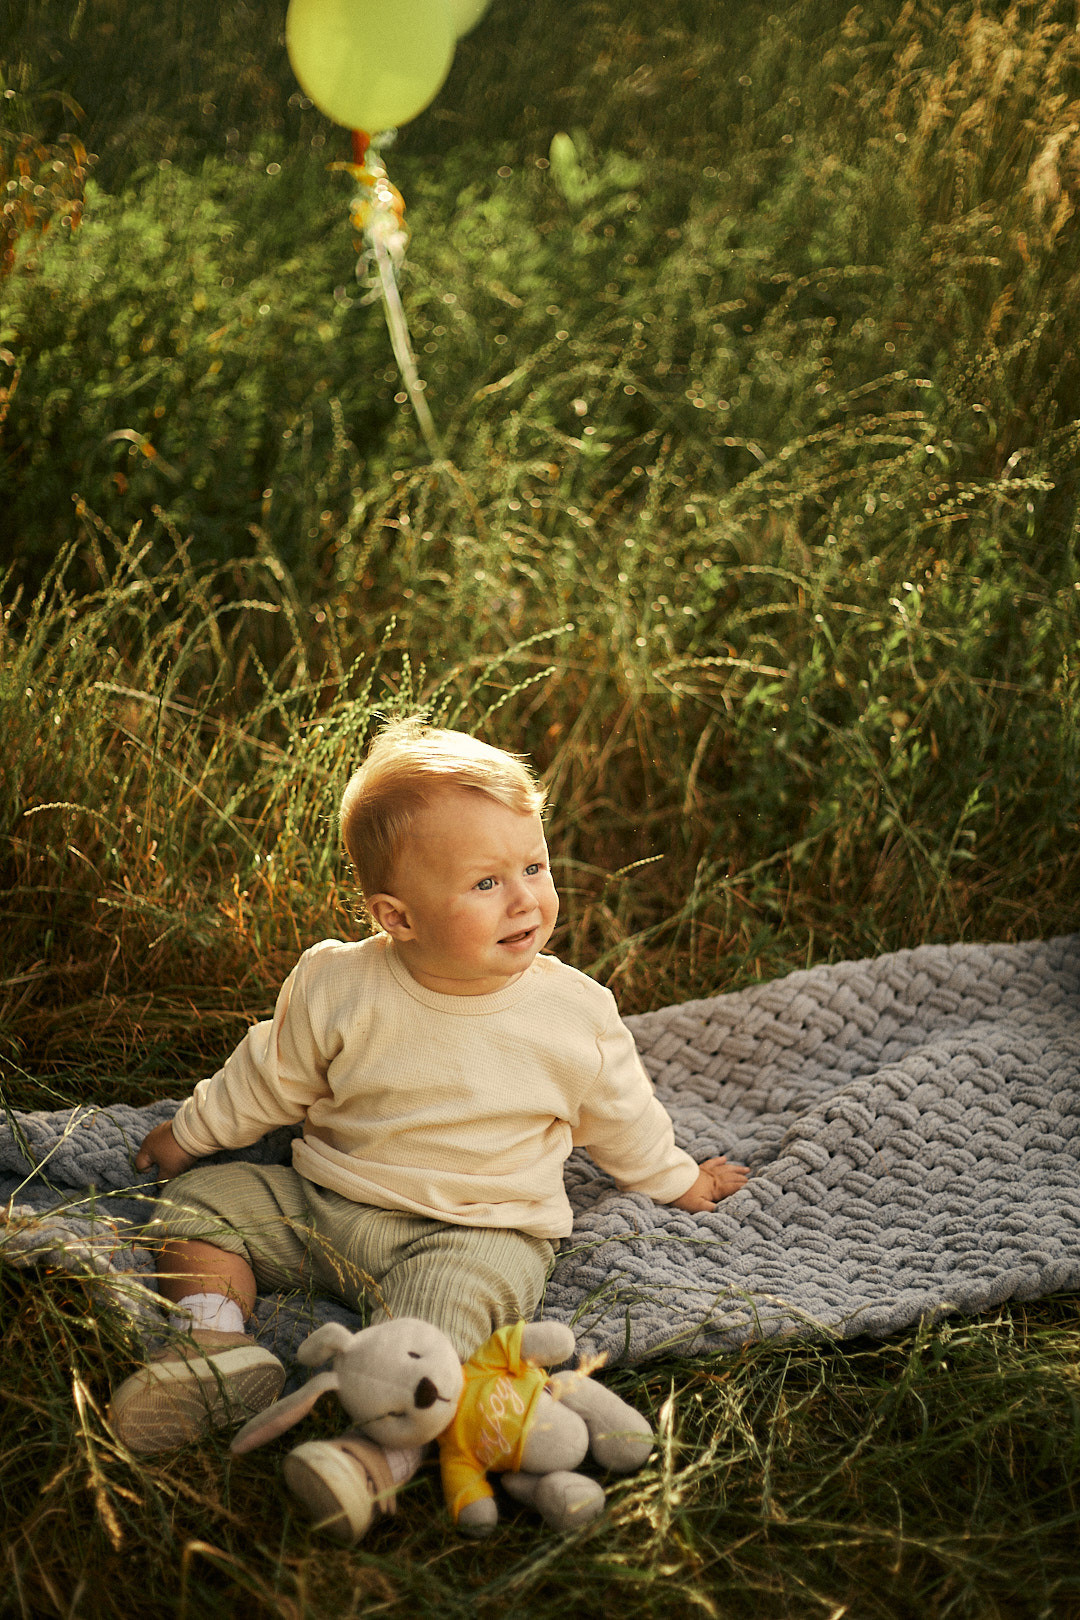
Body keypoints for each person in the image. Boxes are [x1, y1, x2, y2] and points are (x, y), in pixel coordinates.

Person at [108, 717, 748, 1533]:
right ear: (397, 917)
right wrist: (191, 1134)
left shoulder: (571, 1016)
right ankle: (213, 1347)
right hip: (329, 1205)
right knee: (205, 1205)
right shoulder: (338, 985)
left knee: (434, 1322)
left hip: (477, 1233)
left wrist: (680, 1178)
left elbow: (624, 1120)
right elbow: (269, 1078)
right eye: (486, 884)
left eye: (534, 866)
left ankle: (379, 1460)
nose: (525, 897)